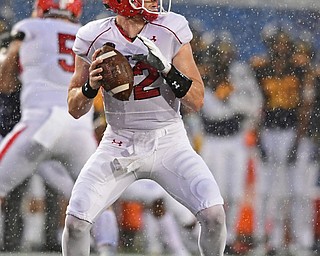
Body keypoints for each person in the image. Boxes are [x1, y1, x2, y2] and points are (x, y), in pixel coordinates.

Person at [62, 0, 227, 255]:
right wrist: (89, 88)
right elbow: (75, 109)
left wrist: (168, 70)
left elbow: (196, 100)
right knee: (75, 223)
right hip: (119, 142)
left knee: (214, 215)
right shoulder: (93, 35)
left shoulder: (171, 27)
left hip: (169, 141)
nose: (155, 1)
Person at [0, 1, 118, 255]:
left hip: (40, 124)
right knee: (98, 199)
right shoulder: (87, 35)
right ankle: (107, 249)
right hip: (78, 129)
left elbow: (5, 83)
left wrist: (11, 49)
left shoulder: (27, 27)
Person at [187, 32, 262, 254]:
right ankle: (209, 238)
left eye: (226, 52)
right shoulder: (203, 73)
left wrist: (232, 101)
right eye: (219, 52)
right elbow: (194, 108)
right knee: (212, 193)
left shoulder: (240, 74)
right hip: (211, 139)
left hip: (235, 138)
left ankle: (231, 238)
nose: (223, 57)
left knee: (235, 193)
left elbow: (254, 104)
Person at [250, 24, 315, 255]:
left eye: (283, 44)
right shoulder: (260, 67)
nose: (280, 48)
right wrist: (258, 137)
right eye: (276, 44)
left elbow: (305, 107)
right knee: (270, 190)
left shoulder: (299, 69)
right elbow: (258, 105)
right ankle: (272, 239)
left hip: (293, 132)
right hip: (269, 133)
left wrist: (298, 141)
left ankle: (302, 241)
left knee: (298, 191)